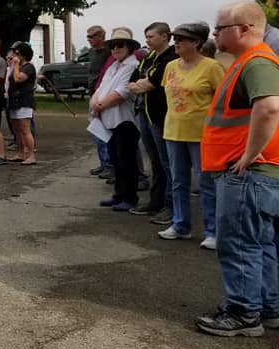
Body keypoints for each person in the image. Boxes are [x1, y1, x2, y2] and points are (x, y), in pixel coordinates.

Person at [196, 1, 279, 336]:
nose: (214, 33)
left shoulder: (257, 62)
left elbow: (270, 108)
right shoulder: (248, 61)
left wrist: (248, 155)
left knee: (240, 244)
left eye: (220, 28)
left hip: (247, 175)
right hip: (255, 175)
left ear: (244, 29)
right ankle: (268, 308)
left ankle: (244, 313)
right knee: (260, 243)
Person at [158, 22, 223, 247]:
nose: (176, 43)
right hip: (173, 131)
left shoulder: (212, 67)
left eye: (181, 39)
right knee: (178, 181)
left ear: (196, 42)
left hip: (202, 134)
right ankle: (180, 225)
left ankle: (213, 231)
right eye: (175, 39)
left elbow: (222, 100)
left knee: (206, 183)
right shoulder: (171, 66)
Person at [127, 22, 177, 223]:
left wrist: (142, 84)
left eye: (151, 36)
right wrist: (141, 84)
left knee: (167, 162)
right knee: (155, 161)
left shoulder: (170, 58)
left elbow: (152, 83)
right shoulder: (148, 58)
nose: (147, 40)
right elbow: (133, 81)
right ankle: (156, 201)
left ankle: (170, 206)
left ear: (165, 36)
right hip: (144, 113)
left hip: (159, 115)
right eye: (146, 37)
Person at [92, 28, 141, 211]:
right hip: (109, 119)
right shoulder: (113, 66)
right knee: (116, 159)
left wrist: (100, 106)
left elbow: (122, 92)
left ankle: (130, 197)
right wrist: (96, 103)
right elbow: (100, 88)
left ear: (128, 47)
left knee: (127, 161)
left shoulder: (132, 66)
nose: (115, 49)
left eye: (120, 45)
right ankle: (119, 194)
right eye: (112, 46)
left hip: (125, 120)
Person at [86, 25, 114, 178]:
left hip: (103, 94)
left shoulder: (108, 52)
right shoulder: (92, 52)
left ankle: (109, 165)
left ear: (101, 37)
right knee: (96, 131)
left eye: (92, 37)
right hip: (93, 93)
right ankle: (104, 163)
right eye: (88, 37)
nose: (89, 40)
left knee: (104, 132)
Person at [8, 42, 37, 165]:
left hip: (24, 101)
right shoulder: (18, 67)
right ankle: (20, 153)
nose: (14, 56)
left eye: (17, 53)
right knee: (17, 130)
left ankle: (31, 155)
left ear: (23, 55)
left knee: (25, 129)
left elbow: (18, 78)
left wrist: (15, 65)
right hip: (14, 101)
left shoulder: (28, 67)